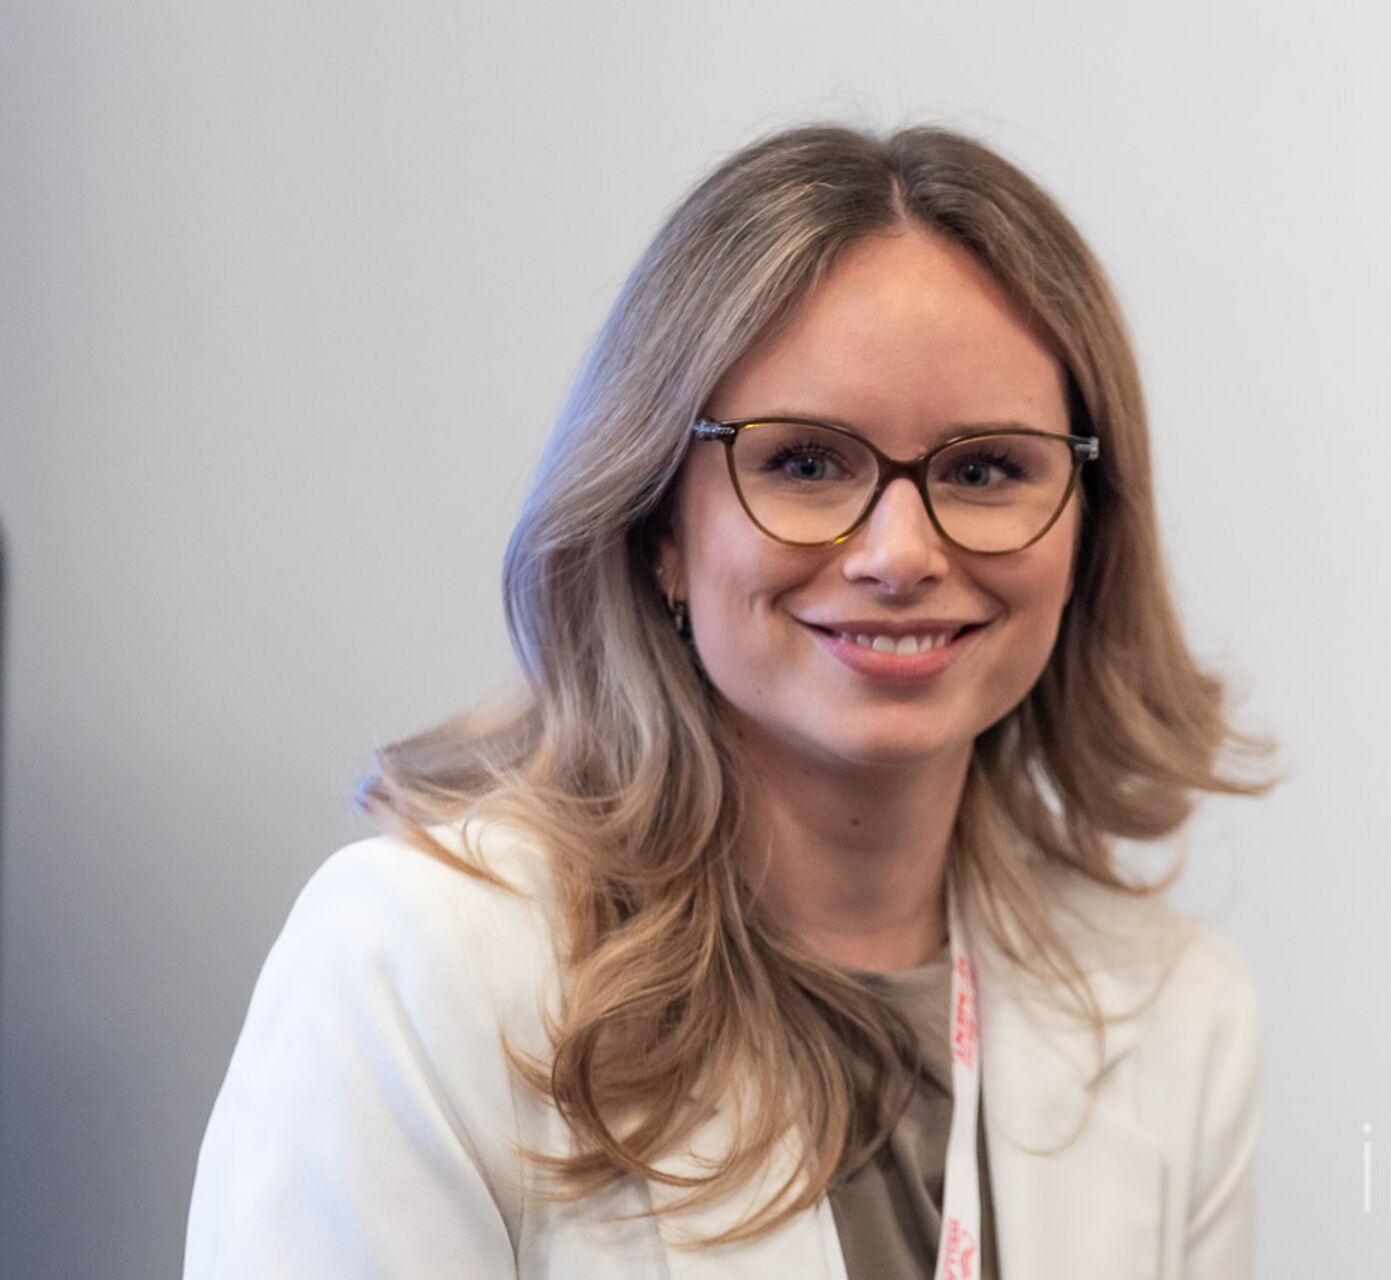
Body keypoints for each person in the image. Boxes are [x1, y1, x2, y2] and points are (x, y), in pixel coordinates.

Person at [185, 123, 1270, 1280]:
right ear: (659, 525)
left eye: (984, 468)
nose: (900, 553)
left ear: (1087, 529)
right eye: (806, 461)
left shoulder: (1180, 1010)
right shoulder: (415, 962)